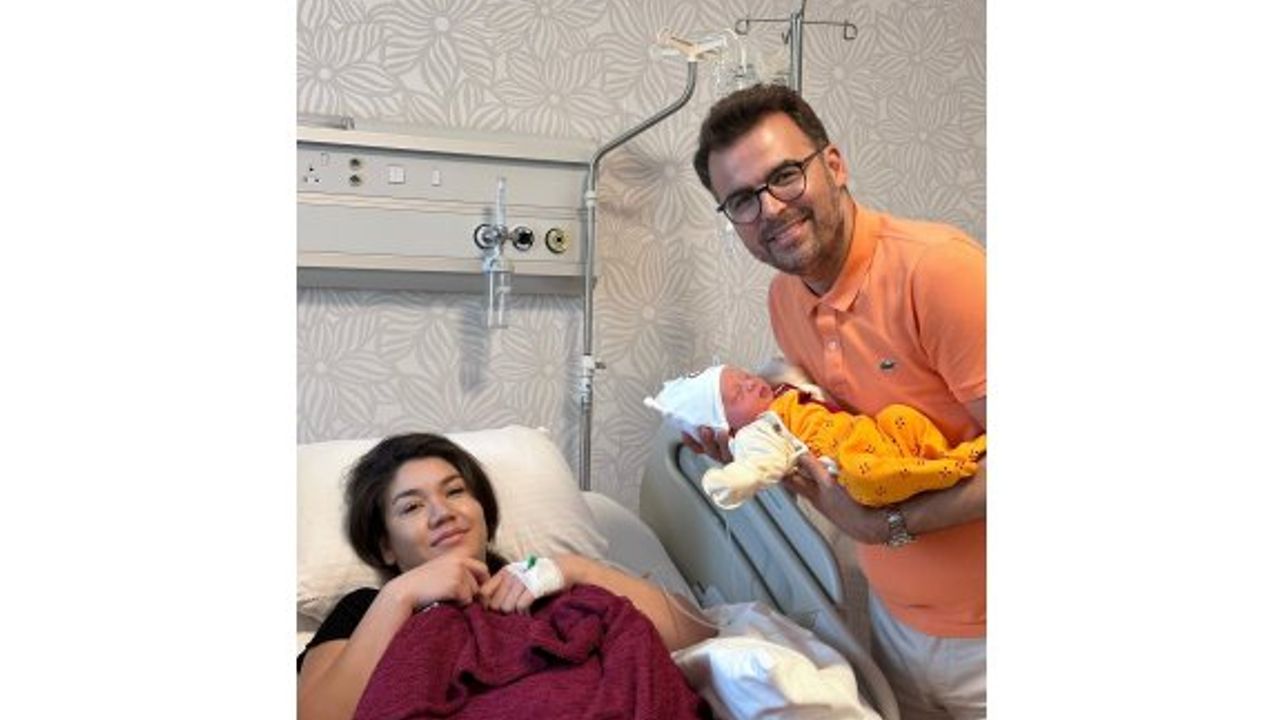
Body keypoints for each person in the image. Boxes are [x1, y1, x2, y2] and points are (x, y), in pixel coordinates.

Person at [689, 84, 987, 719]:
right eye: (742, 199)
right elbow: (846, 445)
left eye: (785, 176)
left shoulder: (938, 272)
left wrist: (885, 527)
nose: (770, 208)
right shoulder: (786, 299)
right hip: (897, 623)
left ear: (834, 164)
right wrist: (760, 450)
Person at [296, 433, 714, 720]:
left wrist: (577, 568)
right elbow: (317, 715)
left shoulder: (549, 583)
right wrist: (400, 595)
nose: (443, 513)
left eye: (455, 491)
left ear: (483, 510)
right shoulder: (367, 608)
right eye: (411, 507)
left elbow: (699, 636)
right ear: (386, 545)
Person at [645, 363, 985, 510]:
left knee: (900, 416)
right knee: (864, 479)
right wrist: (736, 479)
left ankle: (943, 455)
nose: (750, 383)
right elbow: (761, 463)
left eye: (745, 376)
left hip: (872, 433)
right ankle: (948, 471)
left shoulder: (779, 392)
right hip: (850, 461)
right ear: (724, 425)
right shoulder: (757, 431)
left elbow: (780, 367)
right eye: (737, 394)